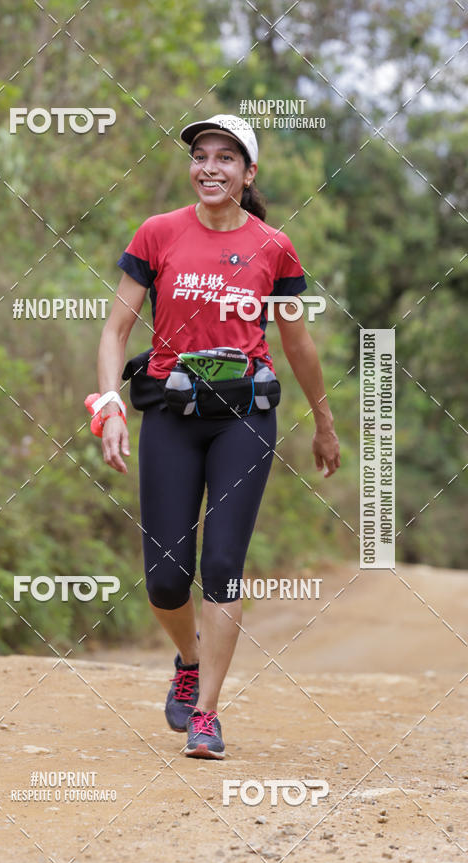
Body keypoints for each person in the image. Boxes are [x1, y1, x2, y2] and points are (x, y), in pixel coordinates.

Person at [94, 114, 340, 759]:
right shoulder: (157, 233)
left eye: (225, 158)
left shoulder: (274, 247)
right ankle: (189, 659)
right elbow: (115, 331)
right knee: (165, 580)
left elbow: (298, 343)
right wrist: (109, 406)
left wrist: (323, 421)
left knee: (223, 566)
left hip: (245, 418)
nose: (209, 167)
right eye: (201, 156)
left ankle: (206, 715)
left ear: (248, 173)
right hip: (170, 415)